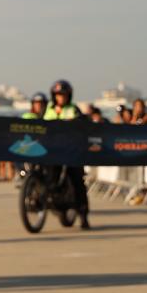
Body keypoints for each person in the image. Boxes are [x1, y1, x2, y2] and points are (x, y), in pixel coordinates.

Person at [43, 80, 90, 229]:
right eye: (57, 95)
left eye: (63, 95)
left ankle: (83, 215)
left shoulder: (73, 109)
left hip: (70, 150)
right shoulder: (48, 110)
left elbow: (83, 122)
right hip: (52, 150)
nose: (60, 98)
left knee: (77, 180)